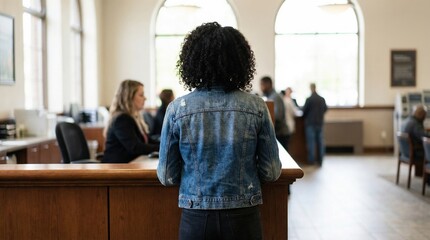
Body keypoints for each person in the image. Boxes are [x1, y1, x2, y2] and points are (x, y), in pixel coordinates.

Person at [157, 22, 282, 240]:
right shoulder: (256, 107)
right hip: (244, 214)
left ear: (191, 61)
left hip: (195, 214)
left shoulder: (177, 109)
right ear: (240, 61)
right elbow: (270, 172)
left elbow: (167, 176)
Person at [103, 79, 159, 163]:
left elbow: (147, 140)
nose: (145, 98)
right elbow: (135, 147)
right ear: (129, 97)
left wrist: (166, 144)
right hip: (115, 169)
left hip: (130, 164)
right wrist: (163, 148)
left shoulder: (135, 117)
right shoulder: (122, 119)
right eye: (141, 95)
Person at [260, 76, 290, 150]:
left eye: (262, 85)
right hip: (278, 133)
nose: (260, 87)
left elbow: (277, 116)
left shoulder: (275, 97)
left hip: (281, 134)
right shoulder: (270, 96)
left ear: (268, 85)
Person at [302, 83, 328, 166]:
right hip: (319, 123)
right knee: (320, 142)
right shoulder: (322, 99)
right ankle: (320, 160)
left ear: (310, 88)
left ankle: (311, 161)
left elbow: (304, 111)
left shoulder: (309, 99)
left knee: (311, 143)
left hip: (310, 123)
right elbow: (325, 109)